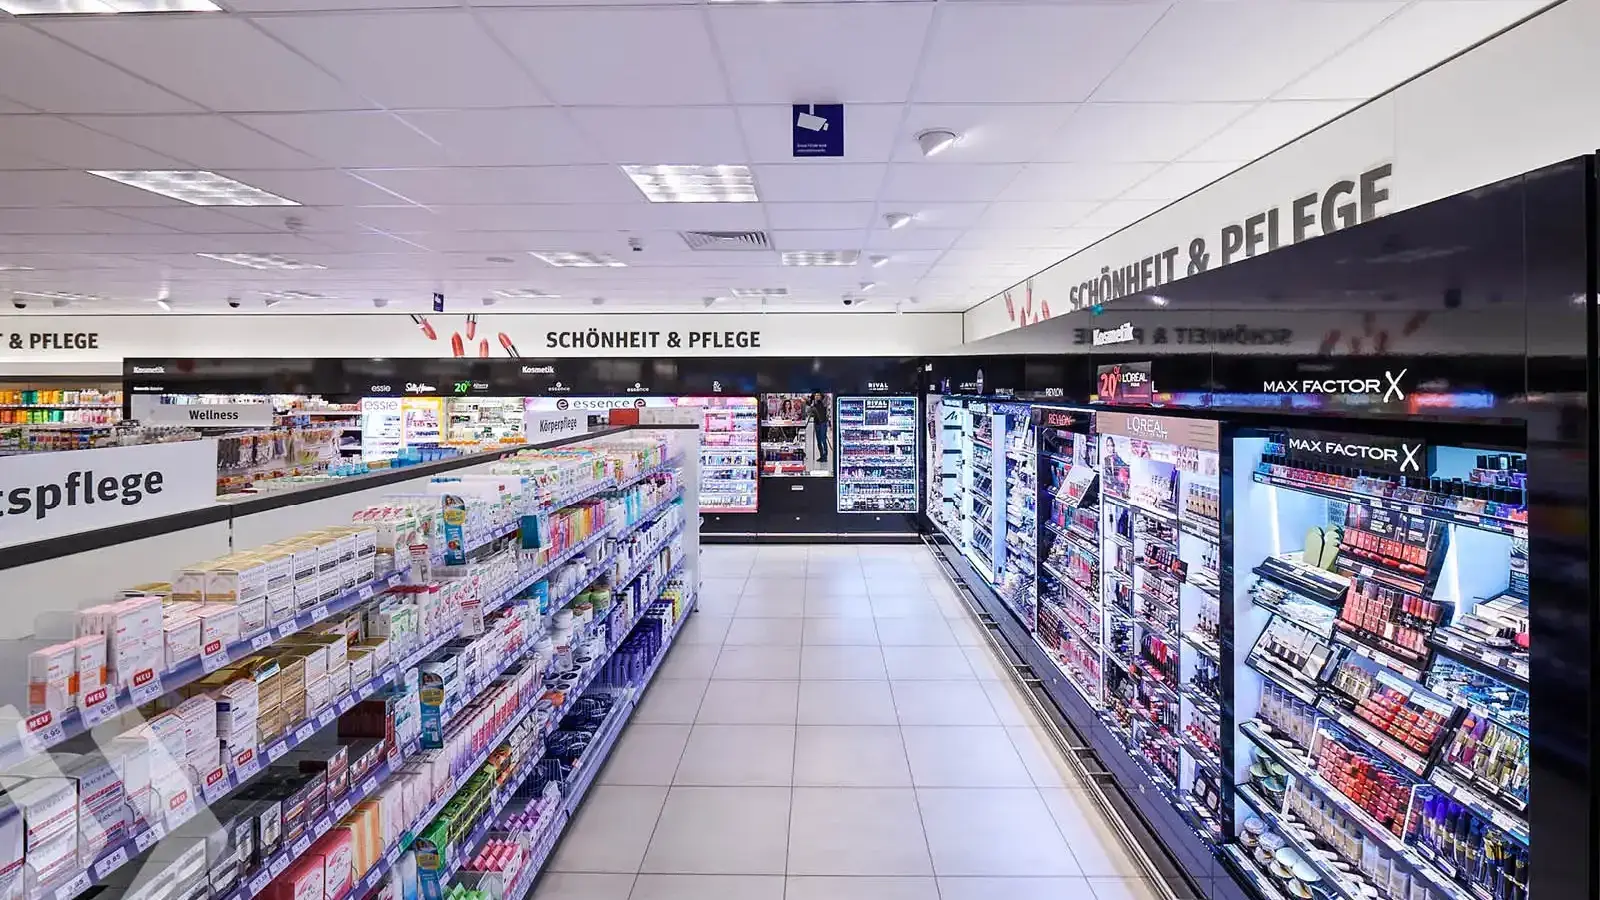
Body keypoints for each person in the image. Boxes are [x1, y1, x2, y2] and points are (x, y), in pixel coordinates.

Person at [808, 391, 831, 464]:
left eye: (818, 395)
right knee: (818, 441)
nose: (817, 396)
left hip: (823, 424)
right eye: (815, 395)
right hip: (817, 423)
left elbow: (827, 397)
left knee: (823, 440)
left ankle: (825, 456)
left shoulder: (824, 403)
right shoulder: (814, 404)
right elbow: (810, 413)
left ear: (821, 396)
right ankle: (821, 456)